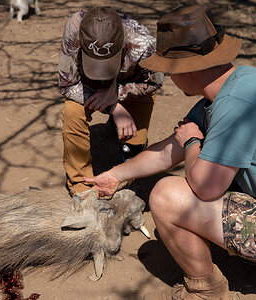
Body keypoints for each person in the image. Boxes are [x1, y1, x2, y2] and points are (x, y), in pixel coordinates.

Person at [85, 5, 256, 300]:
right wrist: (115, 175)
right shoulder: (235, 86)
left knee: (167, 196)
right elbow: (167, 151)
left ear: (189, 68)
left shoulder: (236, 103)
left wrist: (192, 143)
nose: (172, 80)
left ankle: (206, 292)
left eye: (171, 70)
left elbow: (205, 187)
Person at [58, 6, 163, 197]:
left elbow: (156, 81)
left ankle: (122, 177)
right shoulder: (74, 28)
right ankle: (81, 188)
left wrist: (118, 92)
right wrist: (114, 107)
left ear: (124, 44)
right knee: (72, 113)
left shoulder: (145, 43)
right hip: (87, 85)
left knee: (133, 147)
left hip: (130, 86)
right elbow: (67, 84)